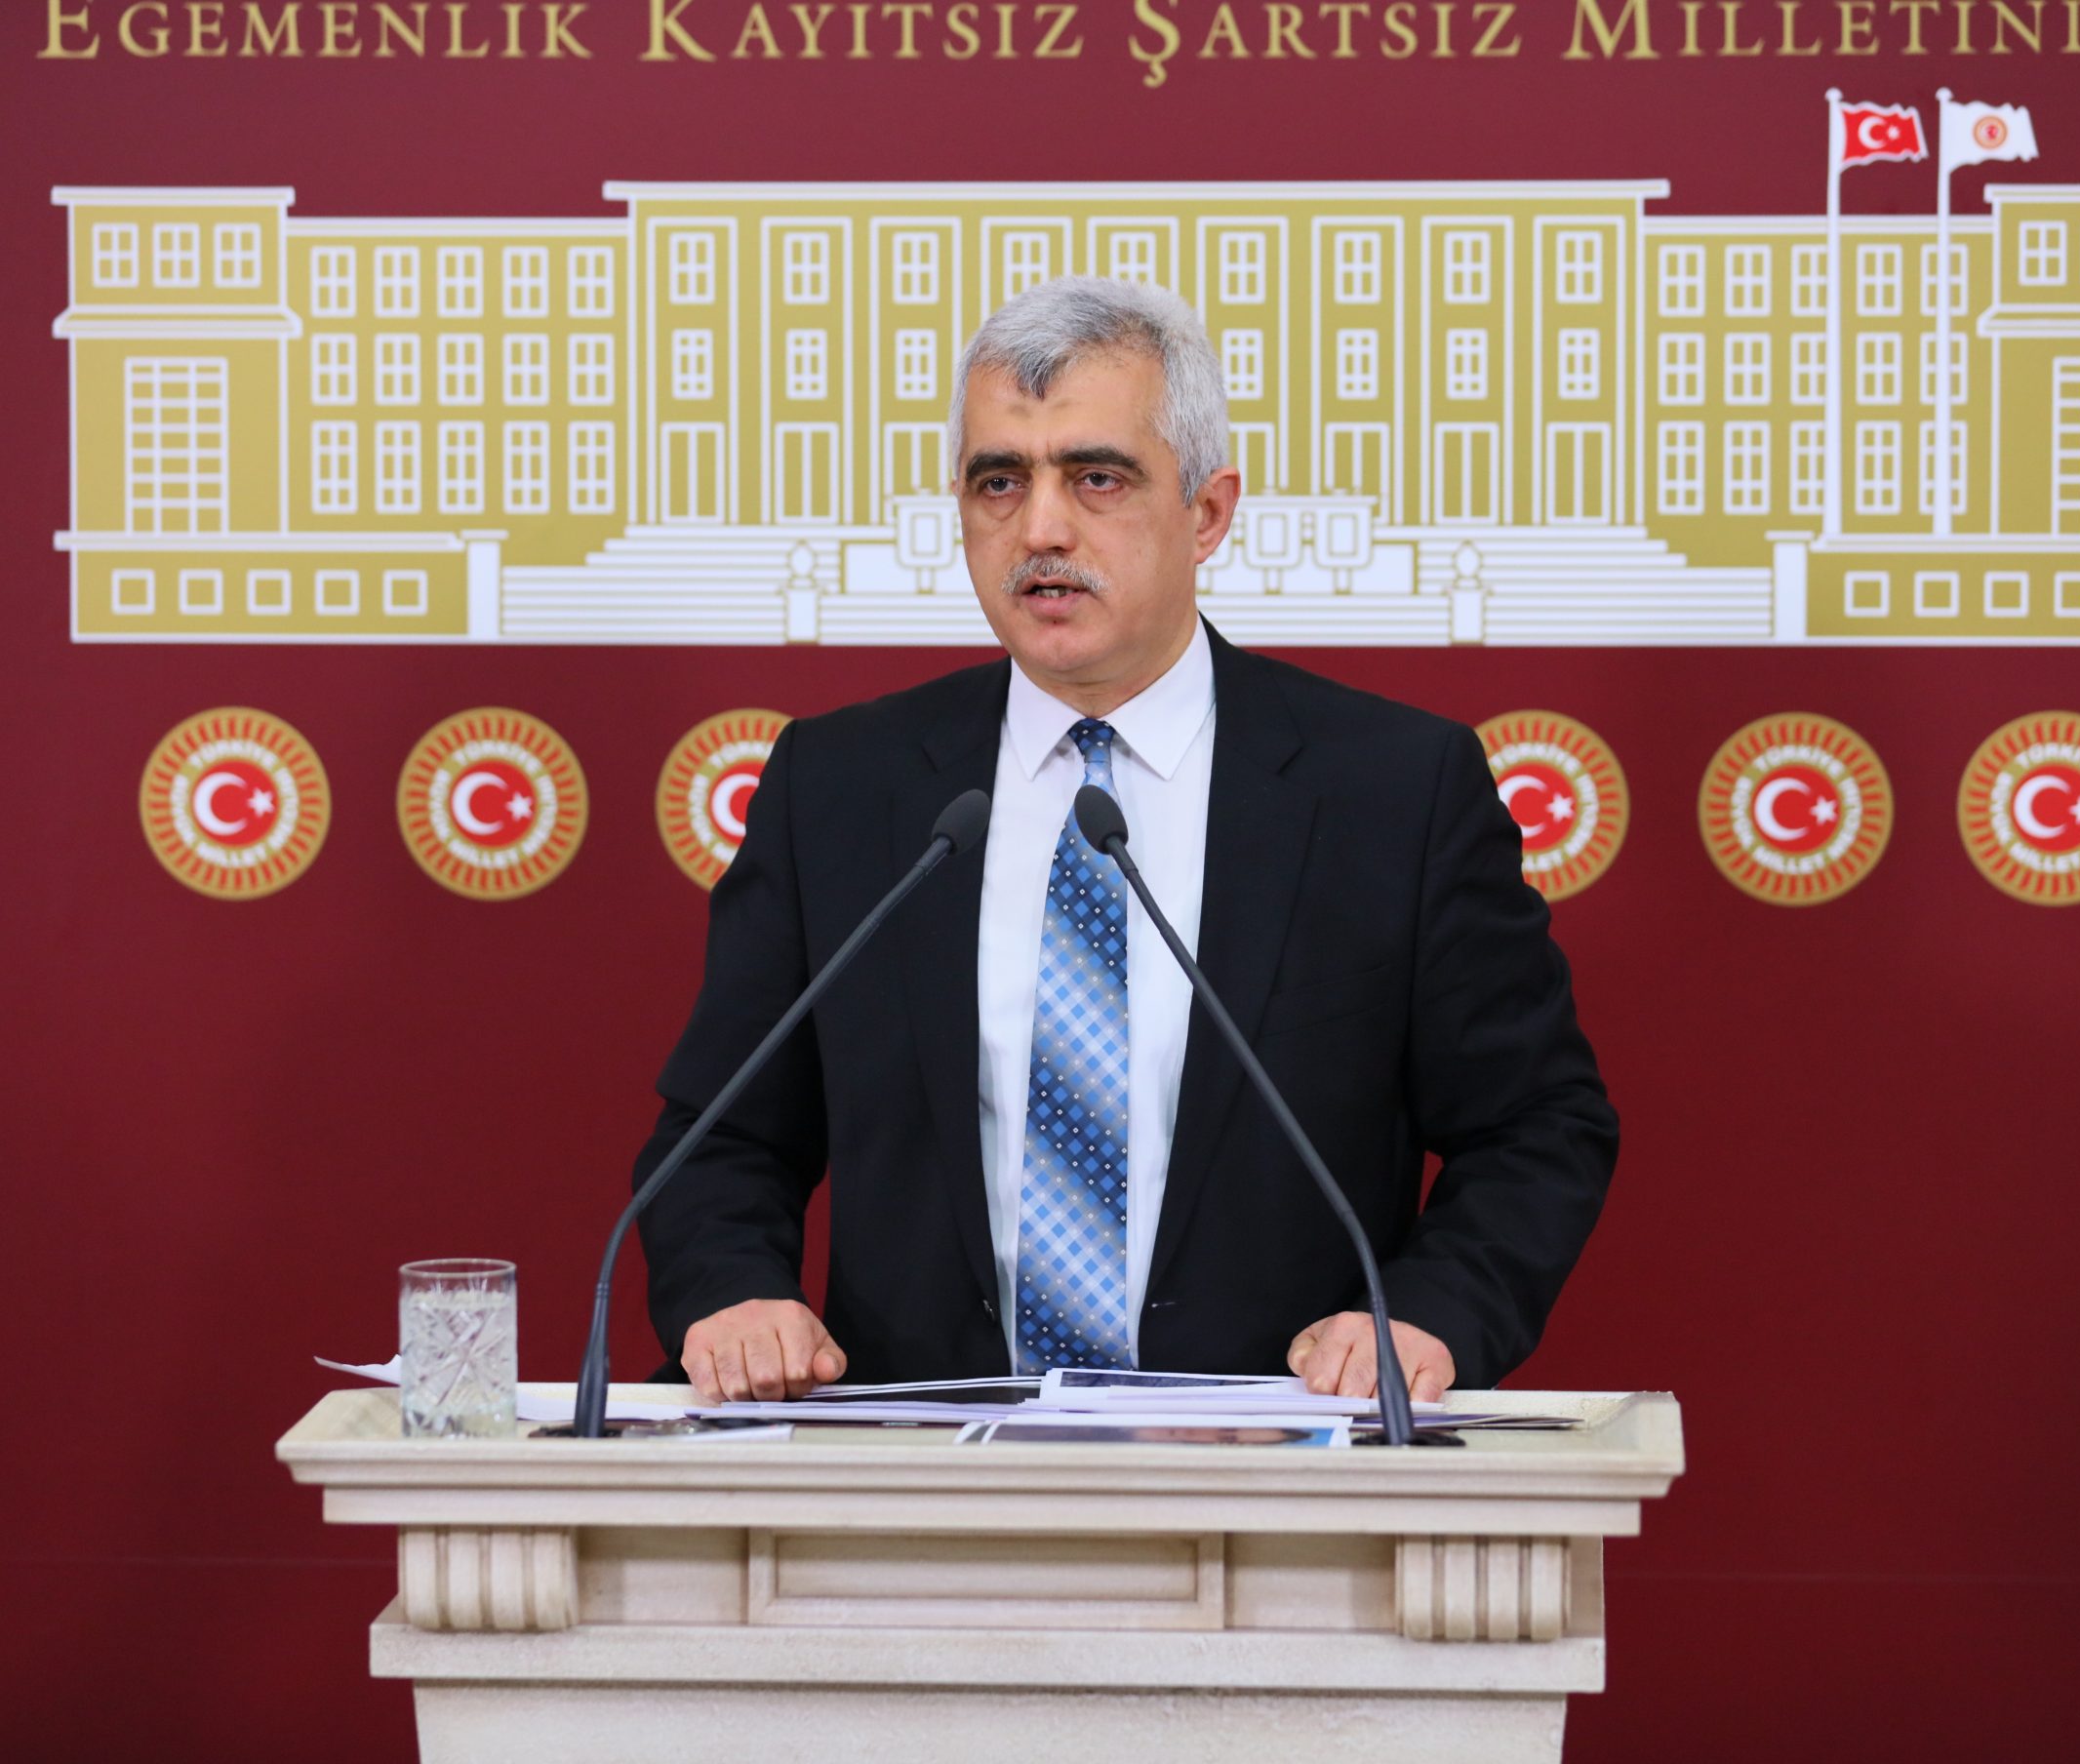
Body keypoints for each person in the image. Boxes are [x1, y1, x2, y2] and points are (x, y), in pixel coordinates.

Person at [631, 277, 1616, 1406]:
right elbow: (719, 1136)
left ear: (1207, 511)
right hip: (919, 1464)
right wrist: (733, 1288)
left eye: (1096, 477)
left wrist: (1429, 1313)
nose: (1041, 528)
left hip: (1277, 1454)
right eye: (999, 480)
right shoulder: (843, 785)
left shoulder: (1392, 790)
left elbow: (1536, 1125)